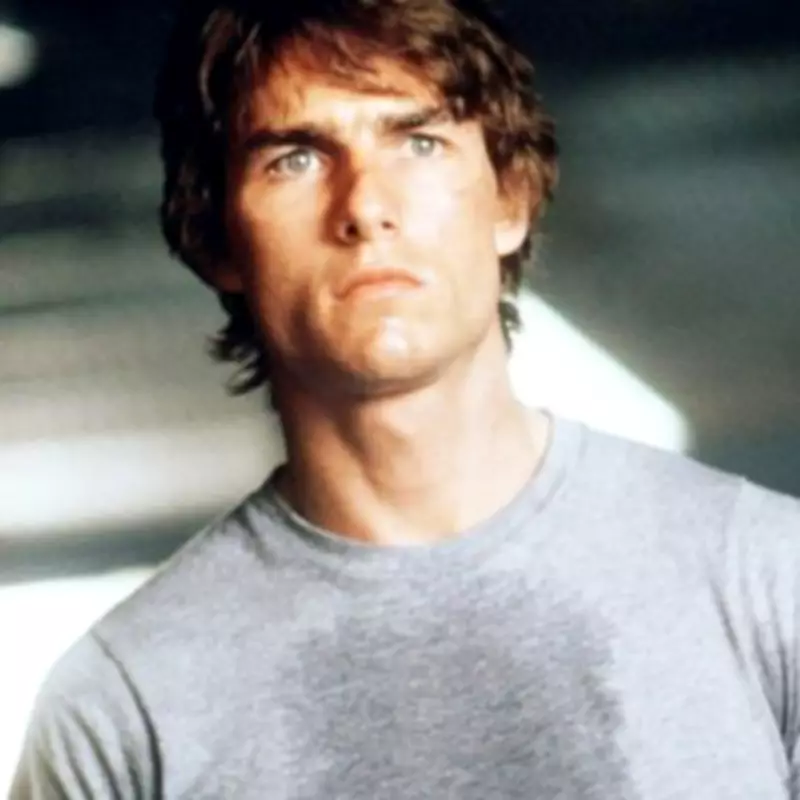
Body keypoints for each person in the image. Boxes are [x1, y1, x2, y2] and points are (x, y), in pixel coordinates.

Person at [11, 0, 800, 797]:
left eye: (419, 143)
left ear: (511, 199)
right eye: (296, 159)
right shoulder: (123, 709)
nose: (365, 206)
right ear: (217, 238)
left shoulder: (765, 576)